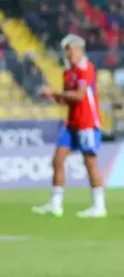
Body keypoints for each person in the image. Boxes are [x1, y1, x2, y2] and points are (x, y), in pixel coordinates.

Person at [32, 34, 107, 218]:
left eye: (71, 50)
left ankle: (99, 205)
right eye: (67, 50)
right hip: (72, 122)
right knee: (57, 160)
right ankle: (55, 204)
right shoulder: (68, 73)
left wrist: (57, 92)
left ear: (80, 50)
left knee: (90, 163)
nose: (68, 53)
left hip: (87, 122)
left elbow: (80, 96)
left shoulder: (86, 68)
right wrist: (51, 95)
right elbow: (67, 99)